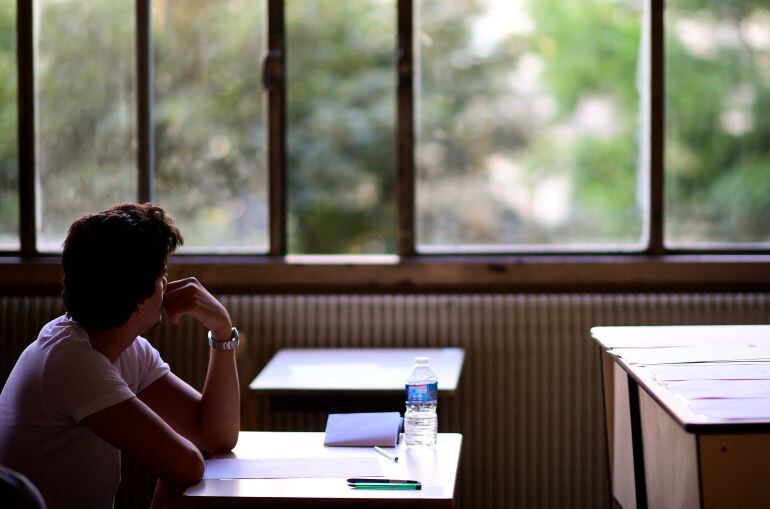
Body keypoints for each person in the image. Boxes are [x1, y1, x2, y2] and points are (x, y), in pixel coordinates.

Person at [0, 203, 241, 509]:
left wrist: (221, 328)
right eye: (161, 275)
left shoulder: (124, 348)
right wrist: (182, 453)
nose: (166, 285)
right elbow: (188, 465)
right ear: (140, 298)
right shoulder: (69, 359)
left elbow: (216, 436)